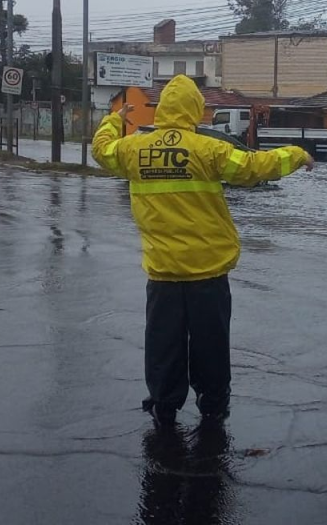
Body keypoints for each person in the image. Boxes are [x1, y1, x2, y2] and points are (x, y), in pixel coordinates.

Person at [92, 74, 314, 428]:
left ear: (163, 109)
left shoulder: (134, 150)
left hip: (163, 272)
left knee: (163, 344)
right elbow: (256, 168)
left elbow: (102, 151)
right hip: (207, 272)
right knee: (210, 344)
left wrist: (112, 120)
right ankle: (213, 407)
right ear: (195, 109)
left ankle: (164, 405)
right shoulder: (208, 149)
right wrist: (297, 154)